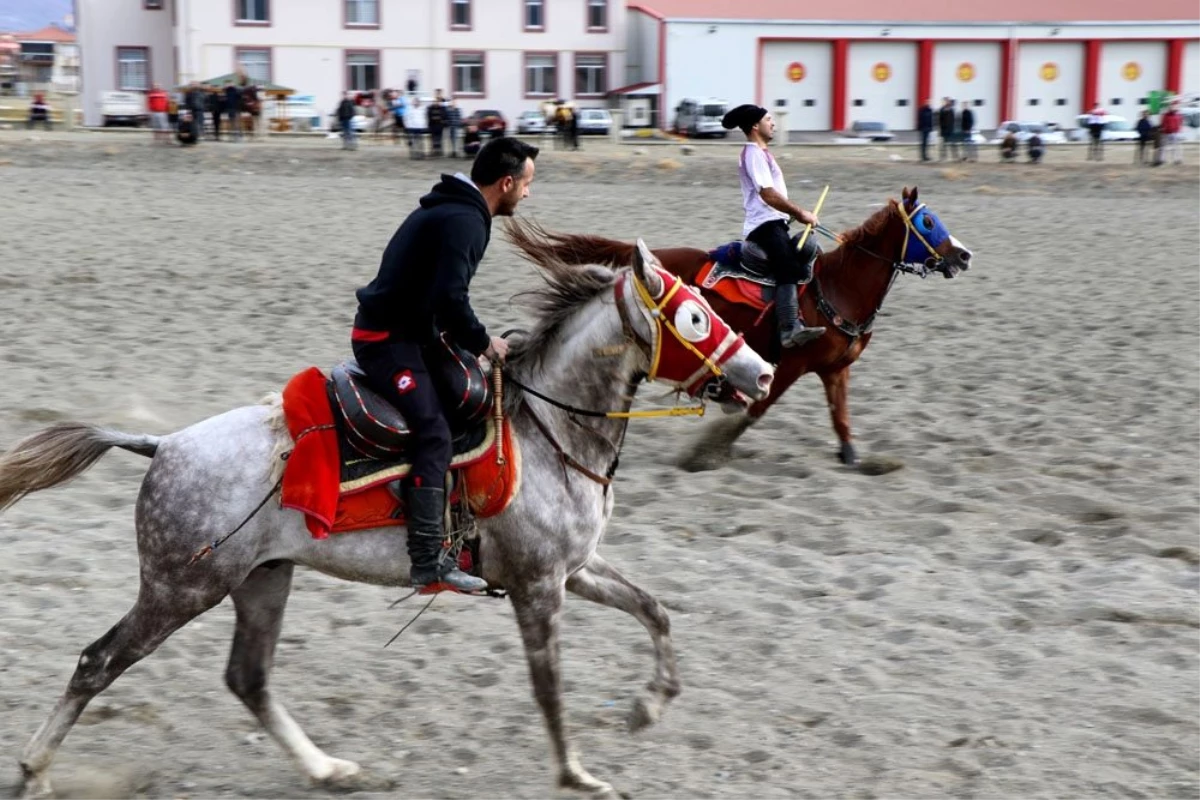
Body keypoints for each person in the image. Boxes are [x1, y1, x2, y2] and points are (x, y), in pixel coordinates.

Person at [350, 137, 539, 592]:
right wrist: (482, 342)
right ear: (506, 182)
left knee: (466, 400)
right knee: (433, 432)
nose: (529, 194)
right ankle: (426, 561)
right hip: (384, 341)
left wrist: (461, 345)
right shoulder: (465, 221)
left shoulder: (461, 212)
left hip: (416, 335)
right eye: (528, 185)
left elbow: (436, 297)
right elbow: (449, 297)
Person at [721, 103, 825, 348]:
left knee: (808, 250)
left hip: (776, 224)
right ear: (756, 126)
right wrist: (800, 213)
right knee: (788, 265)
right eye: (769, 119)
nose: (774, 123)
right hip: (764, 226)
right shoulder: (753, 153)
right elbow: (767, 194)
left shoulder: (763, 153)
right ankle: (788, 328)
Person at [938, 97, 958, 161]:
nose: (947, 102)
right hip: (944, 130)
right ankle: (943, 157)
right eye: (945, 101)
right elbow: (940, 120)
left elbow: (953, 120)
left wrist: (953, 128)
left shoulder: (951, 109)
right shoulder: (941, 110)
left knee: (953, 144)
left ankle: (955, 157)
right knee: (943, 145)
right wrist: (941, 129)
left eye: (948, 101)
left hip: (951, 130)